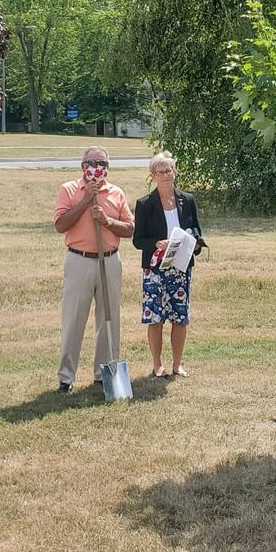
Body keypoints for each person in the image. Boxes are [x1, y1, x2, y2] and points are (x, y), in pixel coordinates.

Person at [53, 146, 135, 392]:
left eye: (103, 164)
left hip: (109, 260)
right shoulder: (69, 190)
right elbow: (61, 225)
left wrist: (107, 221)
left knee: (109, 318)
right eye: (92, 163)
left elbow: (130, 229)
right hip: (79, 260)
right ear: (83, 166)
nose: (98, 168)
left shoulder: (116, 193)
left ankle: (105, 373)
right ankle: (66, 377)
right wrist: (86, 199)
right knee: (74, 318)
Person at [133, 151, 205, 378]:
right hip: (155, 270)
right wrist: (157, 243)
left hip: (181, 269)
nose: (165, 175)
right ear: (153, 175)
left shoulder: (188, 200)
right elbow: (137, 240)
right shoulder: (145, 204)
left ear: (175, 172)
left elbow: (197, 233)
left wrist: (195, 244)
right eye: (160, 172)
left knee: (180, 317)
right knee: (155, 318)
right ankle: (157, 364)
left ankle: (177, 364)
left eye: (169, 170)